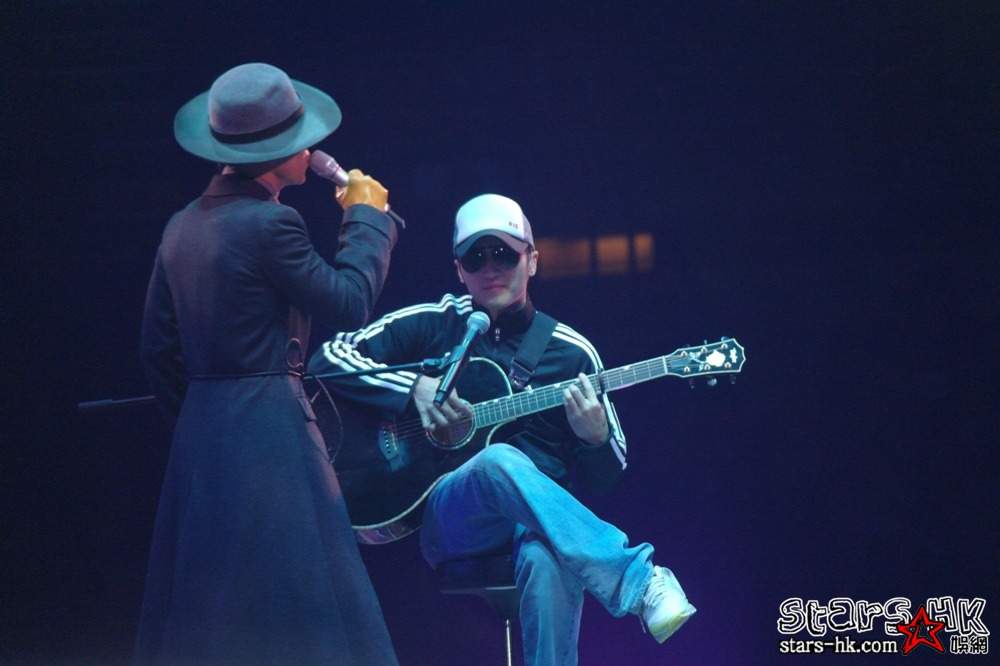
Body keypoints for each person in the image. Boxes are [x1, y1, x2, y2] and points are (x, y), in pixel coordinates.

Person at [309, 193, 696, 665]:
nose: (490, 268)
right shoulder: (437, 321)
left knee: (548, 558)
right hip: (452, 521)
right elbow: (329, 359)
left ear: (532, 260)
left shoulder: (573, 353)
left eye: (504, 254)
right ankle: (640, 582)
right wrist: (412, 390)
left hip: (542, 527)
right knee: (497, 461)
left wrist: (595, 438)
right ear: (459, 270)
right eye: (475, 257)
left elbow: (605, 479)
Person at [136, 63, 400, 665]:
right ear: (274, 154)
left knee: (218, 611)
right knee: (300, 604)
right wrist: (366, 218)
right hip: (272, 433)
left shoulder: (180, 227)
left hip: (203, 438)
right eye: (301, 139)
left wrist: (207, 419)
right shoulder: (271, 223)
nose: (311, 149)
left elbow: (157, 351)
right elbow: (348, 302)